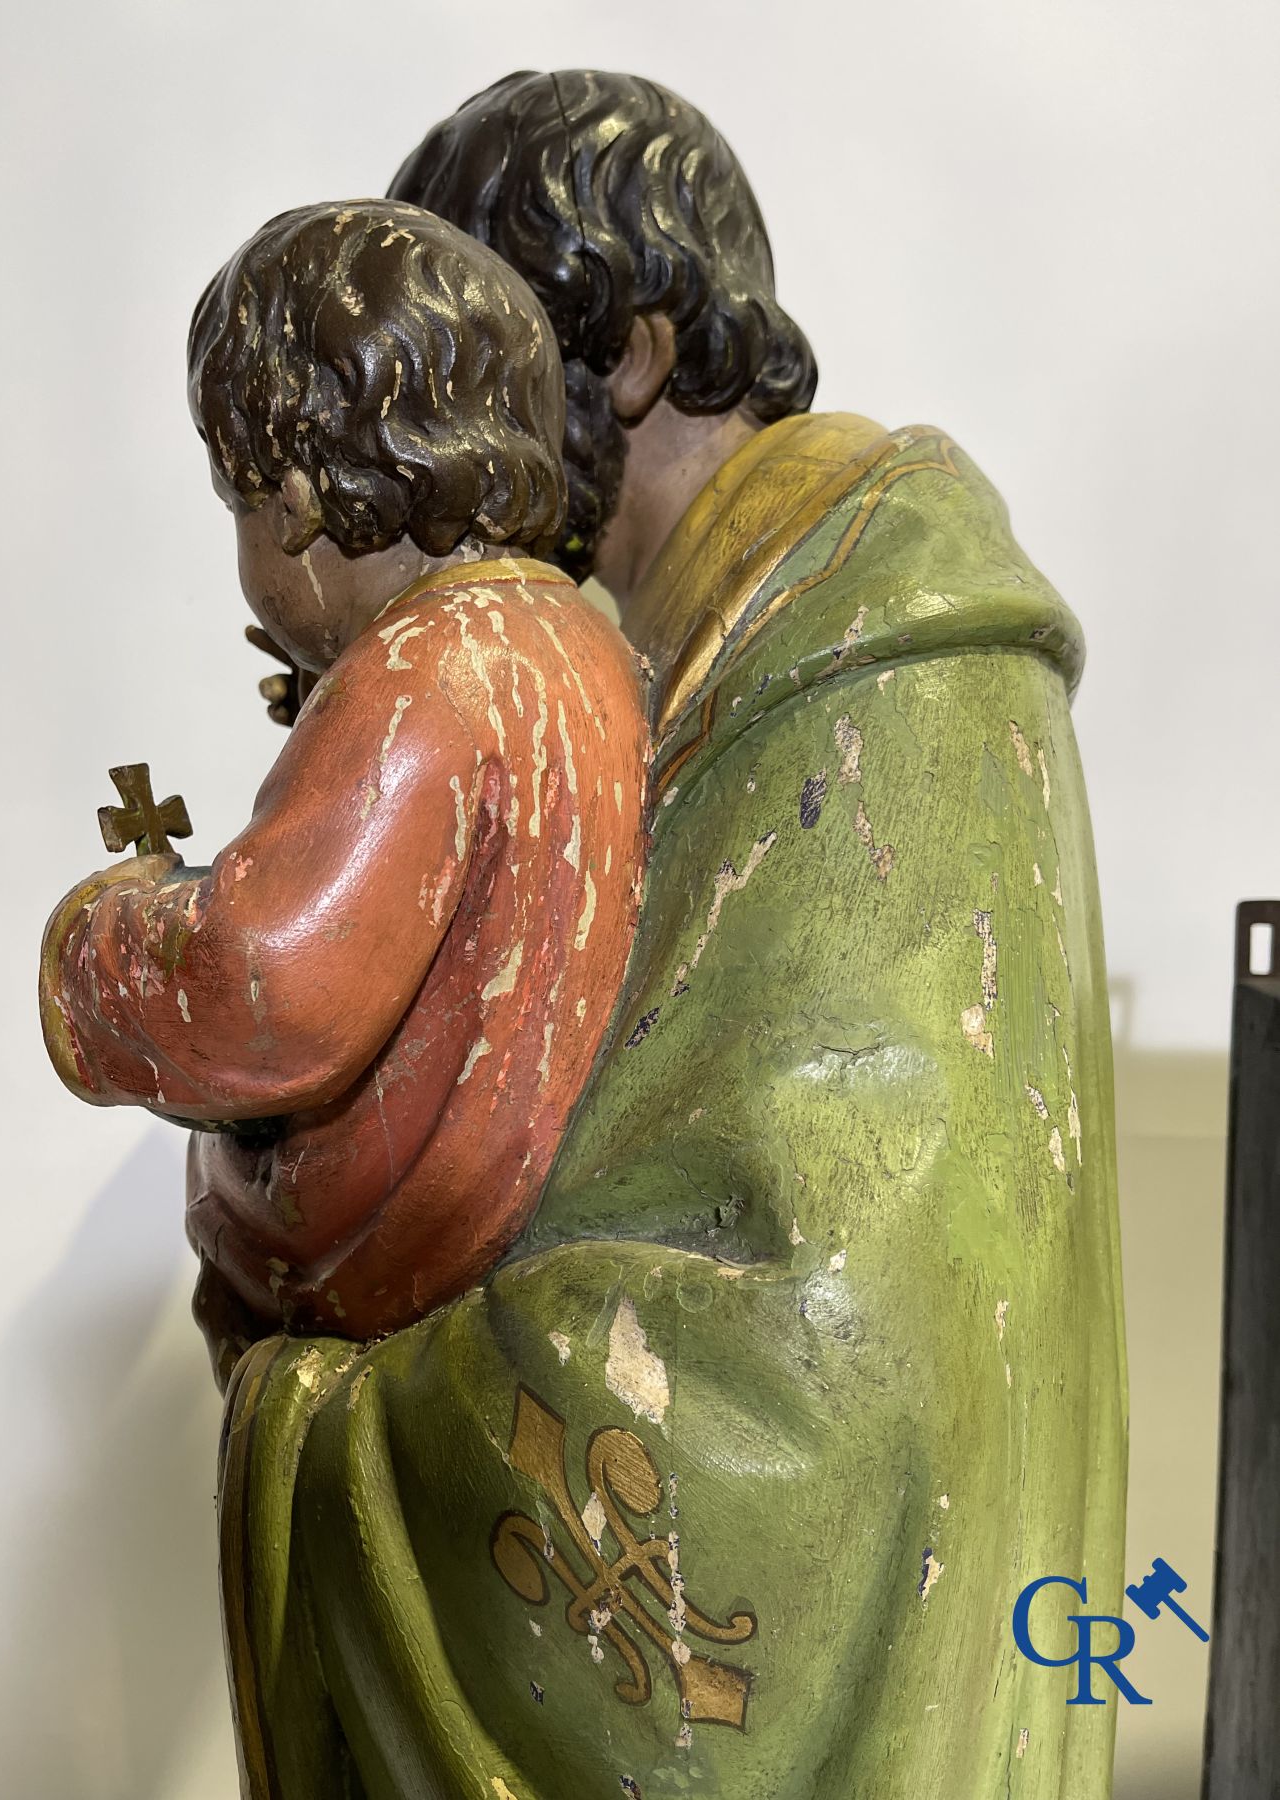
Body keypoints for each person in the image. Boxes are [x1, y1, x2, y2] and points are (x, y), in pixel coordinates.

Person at [248, 71, 1115, 1799]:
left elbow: (819, 1374)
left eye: (481, 366)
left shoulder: (886, 667)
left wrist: (325, 1427)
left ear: (632, 351)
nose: (449, 454)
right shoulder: (641, 668)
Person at [39, 200, 649, 1390]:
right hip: (519, 1217)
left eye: (241, 508)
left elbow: (265, 990)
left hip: (384, 1268)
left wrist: (99, 945)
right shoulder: (582, 646)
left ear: (298, 497)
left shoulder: (427, 676)